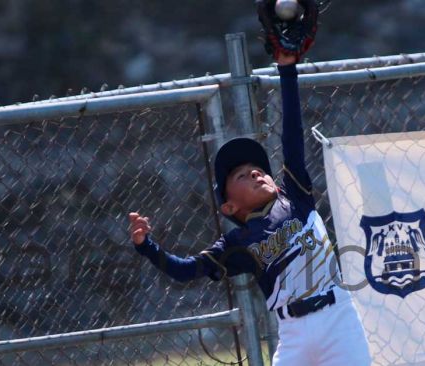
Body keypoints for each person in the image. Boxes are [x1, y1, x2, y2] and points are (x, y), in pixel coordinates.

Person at [129, 4, 371, 363]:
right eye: (242, 175)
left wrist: (287, 71)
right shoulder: (237, 243)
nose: (256, 173)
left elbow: (292, 134)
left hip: (338, 320)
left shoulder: (297, 197)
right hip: (293, 335)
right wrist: (146, 245)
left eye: (258, 170)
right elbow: (185, 270)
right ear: (229, 207)